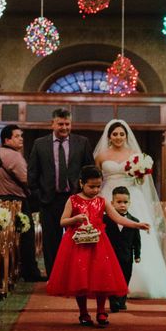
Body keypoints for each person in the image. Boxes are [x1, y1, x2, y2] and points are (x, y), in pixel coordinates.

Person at [46, 165, 149, 326]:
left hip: (98, 244)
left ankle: (101, 311)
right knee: (79, 279)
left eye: (98, 186)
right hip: (78, 243)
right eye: (91, 186)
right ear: (81, 183)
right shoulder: (72, 200)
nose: (95, 190)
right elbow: (62, 221)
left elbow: (117, 218)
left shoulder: (102, 201)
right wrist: (75, 219)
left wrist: (137, 225)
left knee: (101, 277)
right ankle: (83, 313)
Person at [94, 119, 166, 300]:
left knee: (135, 236)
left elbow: (142, 181)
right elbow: (96, 181)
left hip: (131, 196)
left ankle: (140, 281)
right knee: (109, 236)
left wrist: (138, 175)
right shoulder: (101, 156)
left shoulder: (135, 155)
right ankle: (106, 280)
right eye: (115, 134)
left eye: (121, 134)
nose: (118, 137)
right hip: (108, 195)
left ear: (126, 136)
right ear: (109, 136)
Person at [28, 108, 95, 276]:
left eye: (67, 124)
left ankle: (77, 275)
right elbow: (32, 174)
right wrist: (39, 196)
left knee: (78, 239)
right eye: (60, 124)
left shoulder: (82, 142)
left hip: (75, 199)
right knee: (51, 242)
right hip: (49, 200)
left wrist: (86, 196)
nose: (64, 127)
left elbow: (89, 170)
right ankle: (54, 277)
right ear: (52, 124)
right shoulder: (40, 144)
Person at [0, 124, 43, 282]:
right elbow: (27, 179)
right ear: (7, 139)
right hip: (17, 201)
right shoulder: (13, 155)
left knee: (12, 238)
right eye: (17, 136)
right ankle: (30, 273)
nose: (21, 138)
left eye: (21, 135)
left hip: (4, 200)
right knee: (26, 238)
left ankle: (17, 270)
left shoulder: (0, 153)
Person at [104, 186, 141, 313]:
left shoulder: (134, 221)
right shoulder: (105, 219)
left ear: (129, 203)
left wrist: (137, 254)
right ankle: (113, 301)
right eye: (119, 202)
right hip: (110, 255)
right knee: (111, 278)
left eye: (125, 202)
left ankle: (122, 300)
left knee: (126, 277)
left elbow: (137, 240)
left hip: (126, 255)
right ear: (112, 203)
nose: (122, 205)